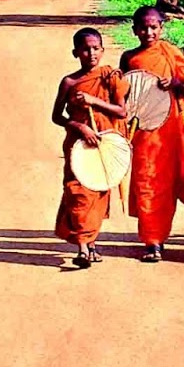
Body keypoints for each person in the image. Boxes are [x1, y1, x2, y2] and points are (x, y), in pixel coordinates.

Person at [119, 6, 184, 263]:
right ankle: (153, 241)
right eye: (143, 28)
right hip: (146, 131)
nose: (149, 32)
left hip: (174, 127)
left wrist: (176, 84)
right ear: (134, 29)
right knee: (149, 183)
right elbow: (125, 92)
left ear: (161, 28)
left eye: (154, 27)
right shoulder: (129, 58)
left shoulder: (170, 52)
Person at [51, 27, 128, 268]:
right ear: (76, 53)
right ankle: (83, 249)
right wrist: (78, 126)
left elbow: (122, 112)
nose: (91, 53)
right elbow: (56, 116)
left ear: (103, 50)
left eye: (95, 48)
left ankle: (90, 242)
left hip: (105, 143)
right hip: (79, 144)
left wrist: (94, 101)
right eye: (85, 49)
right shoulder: (70, 81)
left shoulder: (110, 77)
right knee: (78, 193)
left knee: (97, 193)